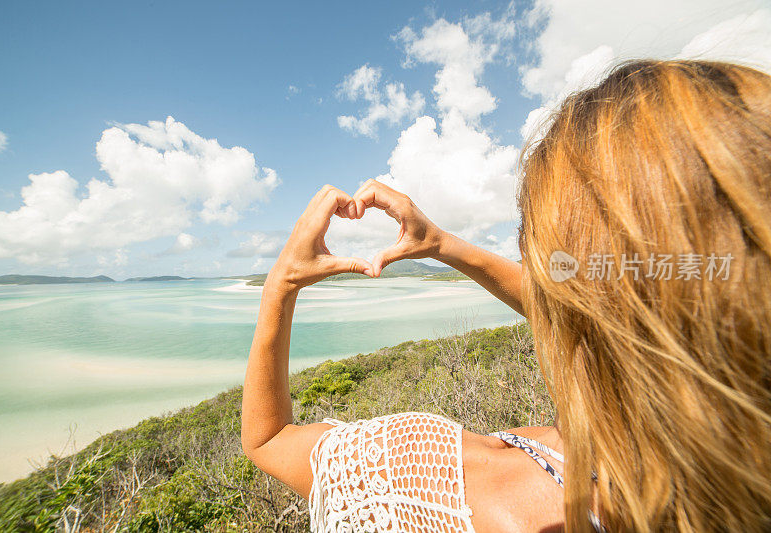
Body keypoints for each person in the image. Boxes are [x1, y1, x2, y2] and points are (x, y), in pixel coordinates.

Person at [240, 60, 771, 532]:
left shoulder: (428, 483)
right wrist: (441, 243)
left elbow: (268, 439)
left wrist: (281, 283)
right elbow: (593, 308)